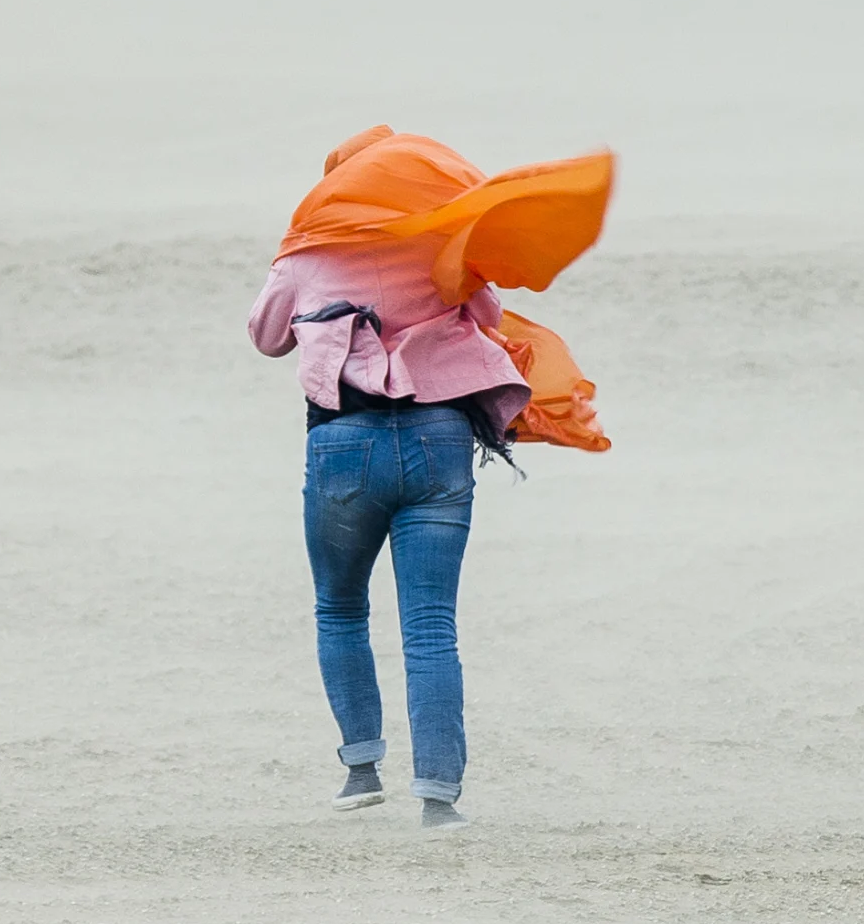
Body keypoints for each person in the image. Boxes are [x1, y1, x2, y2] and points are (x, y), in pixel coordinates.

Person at [248, 127, 613, 833]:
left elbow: (266, 338)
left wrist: (301, 269)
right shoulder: (439, 244)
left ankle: (361, 771)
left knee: (340, 609)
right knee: (430, 625)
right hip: (438, 441)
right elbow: (488, 317)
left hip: (343, 443)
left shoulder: (306, 252)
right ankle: (439, 799)